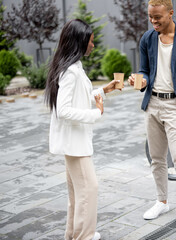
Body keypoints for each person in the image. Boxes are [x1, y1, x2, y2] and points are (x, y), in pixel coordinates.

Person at [128, 0, 176, 236]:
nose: (153, 21)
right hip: (153, 104)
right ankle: (162, 201)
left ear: (171, 13)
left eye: (157, 17)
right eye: (150, 16)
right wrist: (140, 79)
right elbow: (145, 70)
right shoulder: (148, 38)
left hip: (175, 107)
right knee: (157, 159)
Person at [45, 19, 120, 240]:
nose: (93, 45)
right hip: (75, 145)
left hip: (74, 144)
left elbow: (79, 98)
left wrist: (103, 91)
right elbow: (64, 110)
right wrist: (96, 113)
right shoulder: (70, 72)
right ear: (80, 41)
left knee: (78, 194)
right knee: (89, 189)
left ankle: (73, 234)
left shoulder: (73, 67)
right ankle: (84, 236)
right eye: (91, 41)